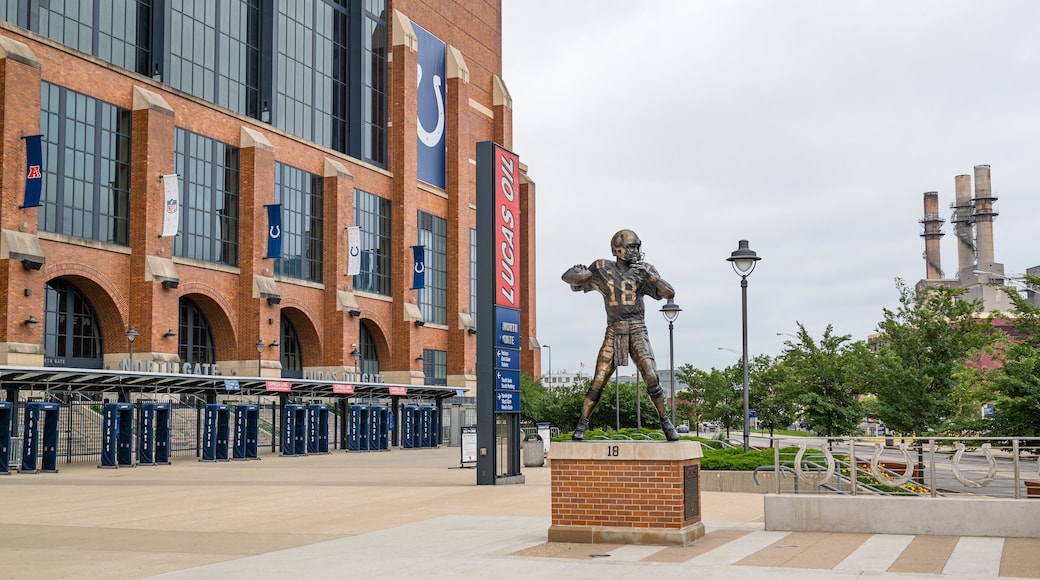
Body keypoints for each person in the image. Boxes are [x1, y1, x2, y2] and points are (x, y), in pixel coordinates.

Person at [561, 229, 680, 441]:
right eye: (631, 247)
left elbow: (669, 293)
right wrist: (577, 273)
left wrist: (650, 277)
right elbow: (575, 286)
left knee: (651, 375)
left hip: (636, 326)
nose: (636, 251)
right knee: (599, 378)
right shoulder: (601, 267)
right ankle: (582, 422)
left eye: (637, 247)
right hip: (614, 328)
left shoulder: (645, 269)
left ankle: (665, 421)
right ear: (617, 250)